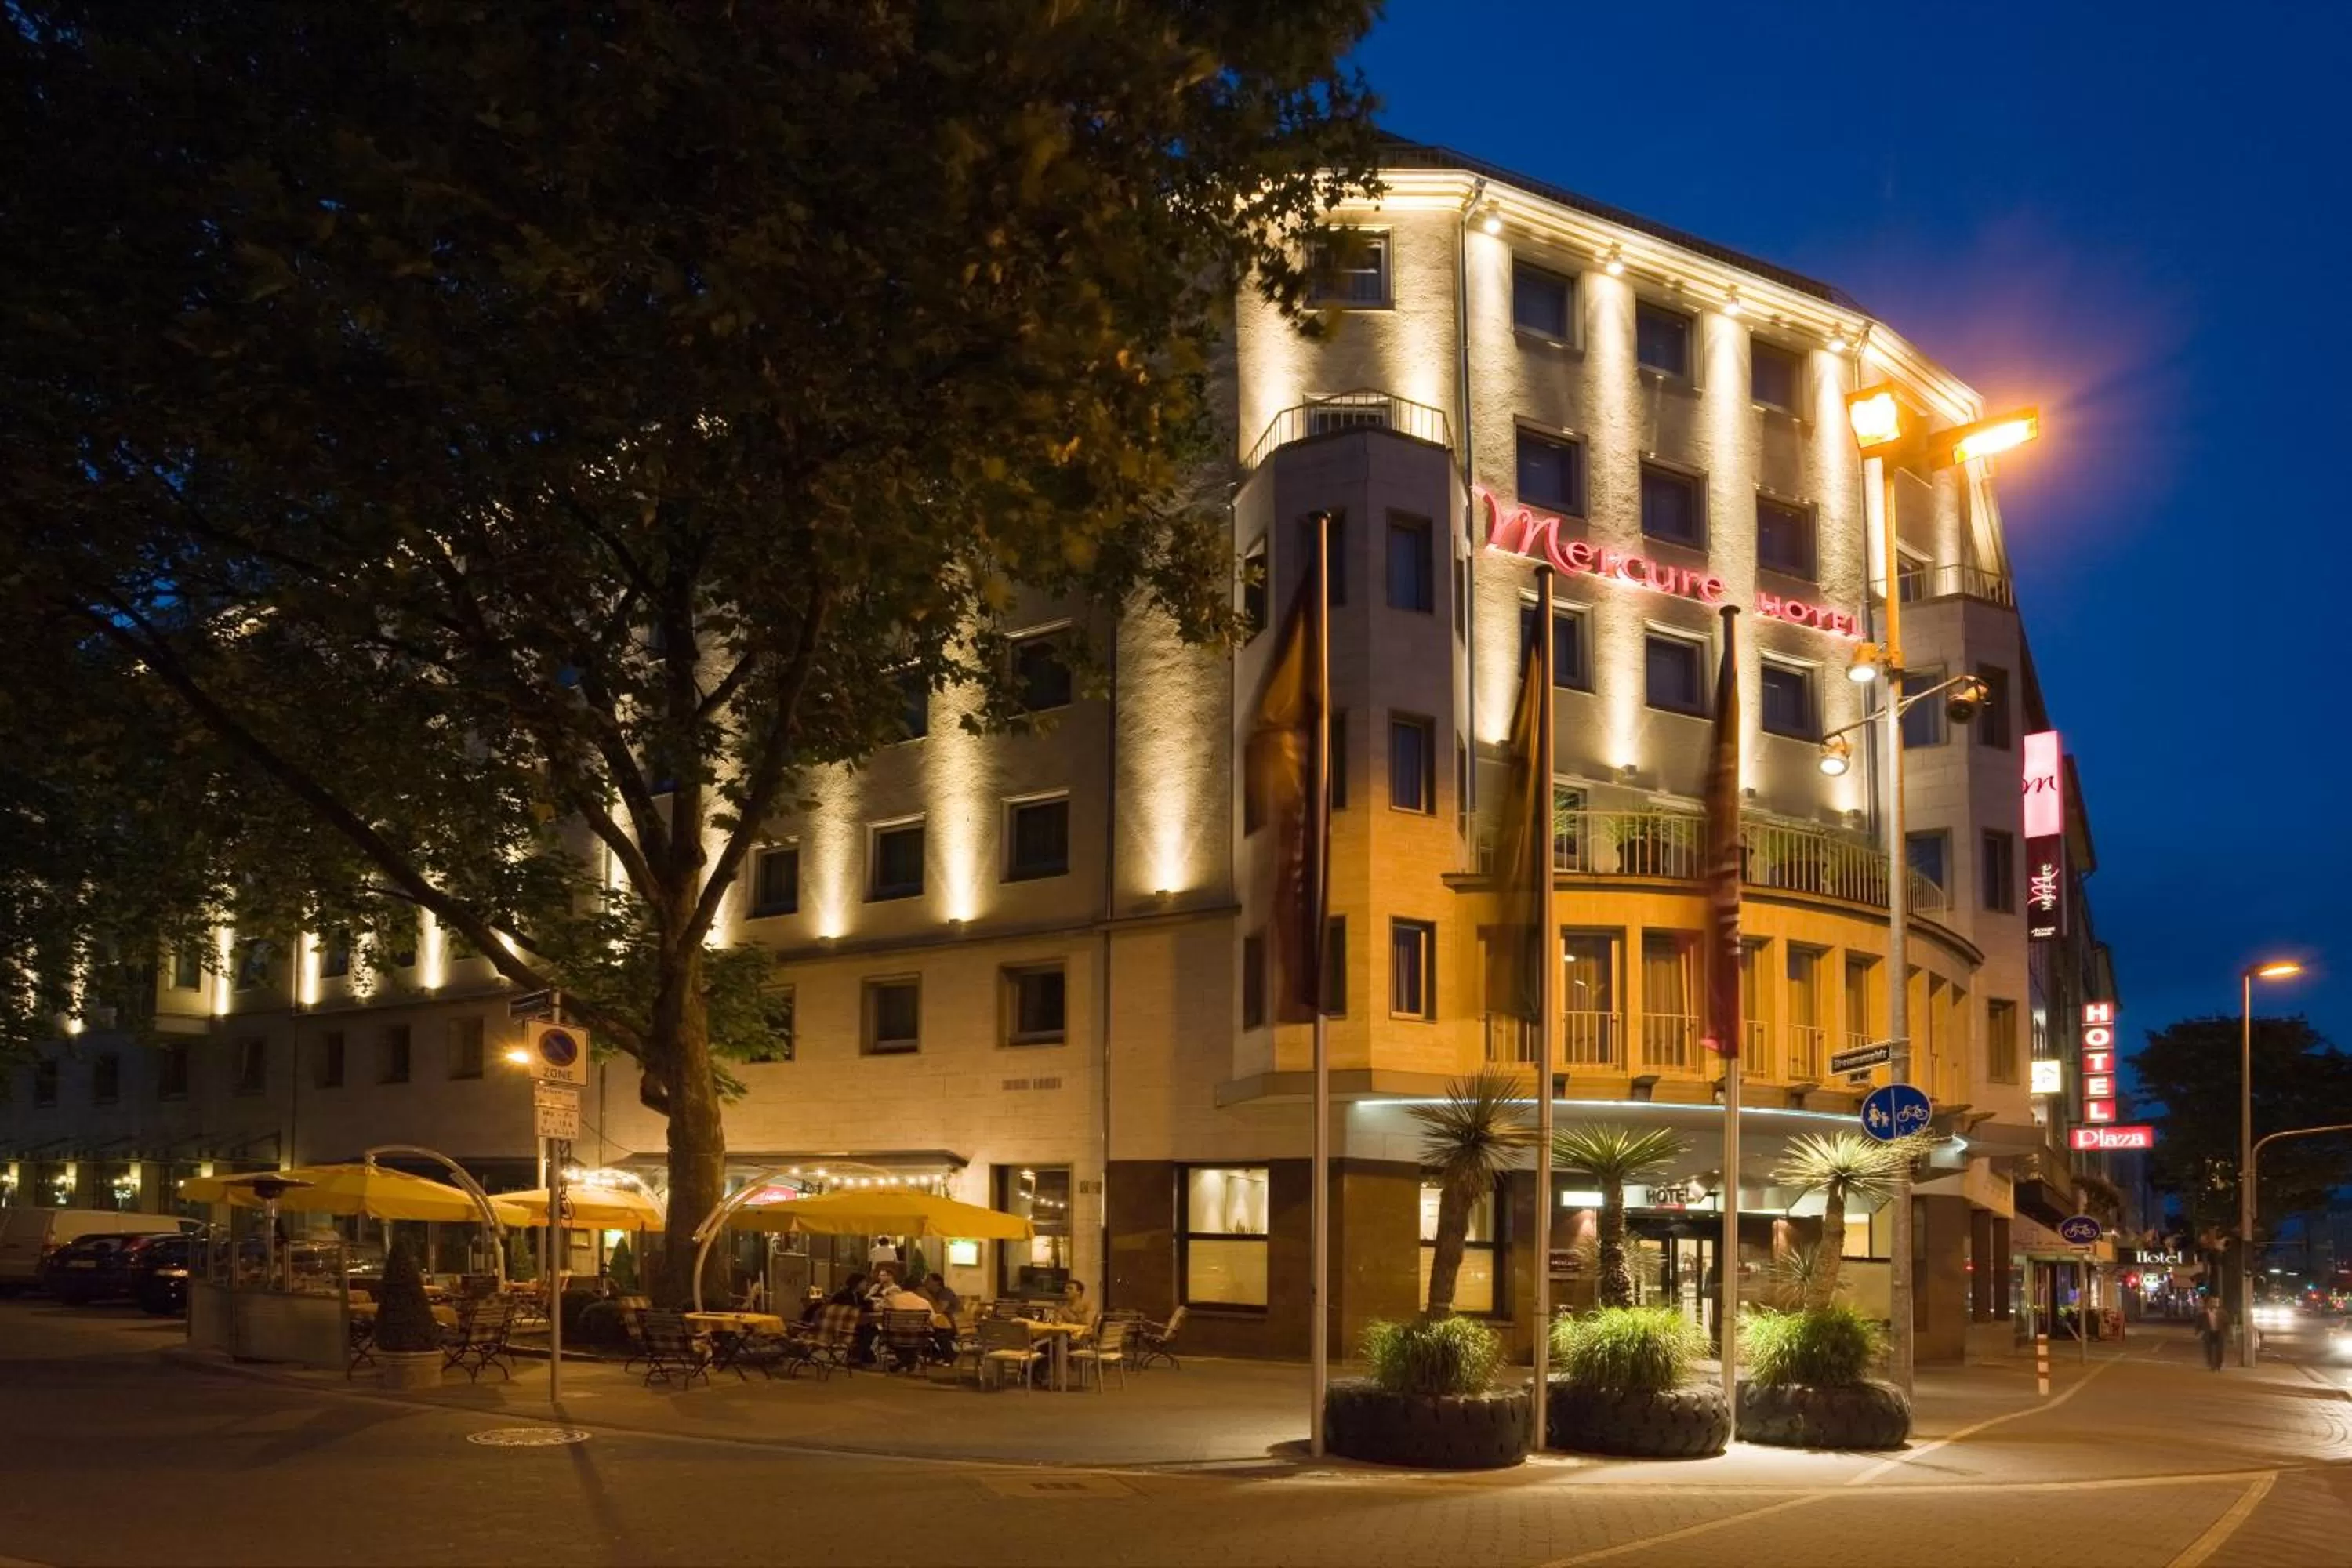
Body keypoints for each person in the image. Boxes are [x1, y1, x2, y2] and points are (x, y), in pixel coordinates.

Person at [2198, 1295, 2227, 1371]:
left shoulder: (2222, 1313)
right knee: (2209, 1350)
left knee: (2220, 1350)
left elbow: (2227, 1323)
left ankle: (2219, 1365)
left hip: (2219, 1333)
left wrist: (2227, 1332)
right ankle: (2211, 1364)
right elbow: (2199, 1323)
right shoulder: (2203, 1313)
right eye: (2211, 1302)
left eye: (2215, 1302)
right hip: (2209, 1333)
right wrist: (2199, 1332)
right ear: (2207, 1303)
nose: (2214, 1304)